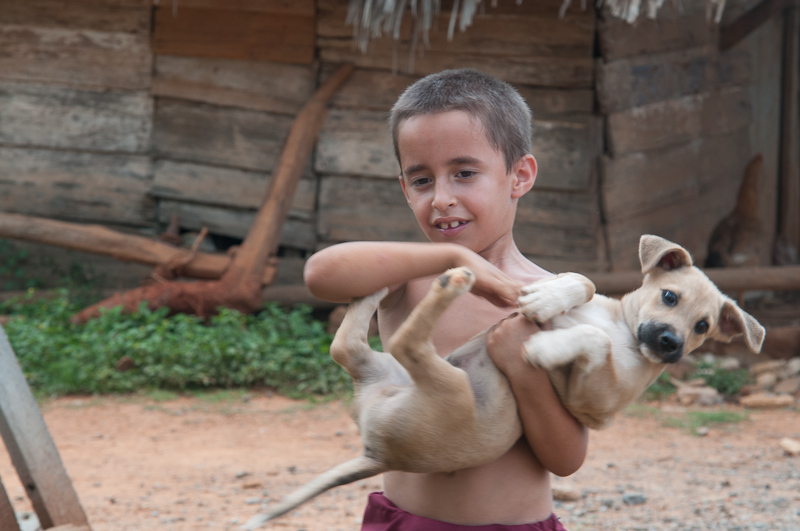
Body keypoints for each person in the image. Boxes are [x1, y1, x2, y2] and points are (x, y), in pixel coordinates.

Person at [303, 68, 587, 530]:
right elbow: (320, 273)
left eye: (464, 173)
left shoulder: (551, 300)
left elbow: (567, 458)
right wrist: (455, 256)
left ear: (520, 175)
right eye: (421, 180)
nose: (441, 198)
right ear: (403, 188)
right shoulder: (411, 280)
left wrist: (521, 367)